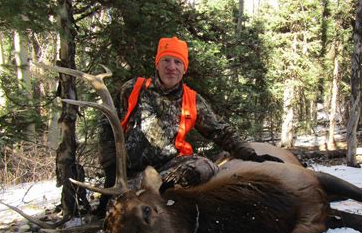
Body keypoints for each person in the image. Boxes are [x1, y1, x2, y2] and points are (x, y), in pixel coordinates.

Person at [97, 36, 281, 215]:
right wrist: (111, 170)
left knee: (204, 167)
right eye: (166, 60)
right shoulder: (132, 88)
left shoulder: (192, 99)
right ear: (157, 64)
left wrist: (249, 153)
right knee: (117, 216)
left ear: (184, 68)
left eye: (178, 62)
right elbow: (107, 125)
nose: (171, 67)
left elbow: (220, 131)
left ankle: (163, 196)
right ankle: (137, 198)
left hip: (167, 172)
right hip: (131, 173)